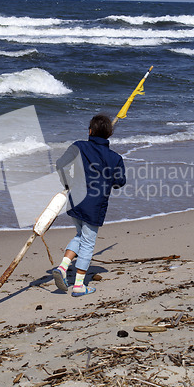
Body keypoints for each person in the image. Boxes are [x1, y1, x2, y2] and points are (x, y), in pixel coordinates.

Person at [53, 114, 126, 297]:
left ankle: (62, 267)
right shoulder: (114, 158)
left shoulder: (79, 146)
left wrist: (67, 182)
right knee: (87, 242)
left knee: (80, 235)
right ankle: (79, 285)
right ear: (109, 134)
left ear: (90, 131)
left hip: (75, 200)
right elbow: (119, 182)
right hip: (95, 205)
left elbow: (60, 164)